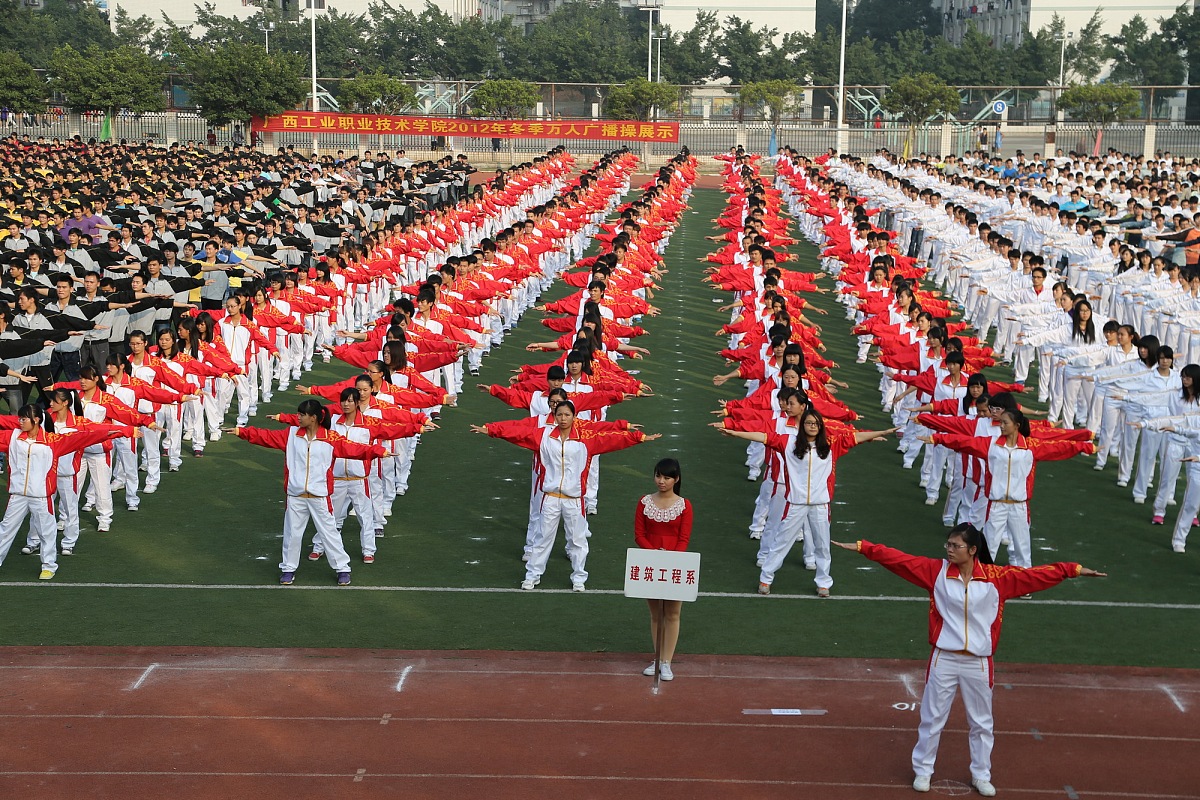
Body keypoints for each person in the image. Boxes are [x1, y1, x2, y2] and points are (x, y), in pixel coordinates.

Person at [832, 526, 1106, 797]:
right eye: (948, 545)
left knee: (981, 723)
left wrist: (1073, 569)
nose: (949, 550)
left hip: (979, 662)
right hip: (944, 659)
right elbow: (899, 560)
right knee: (932, 718)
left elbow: (1037, 575)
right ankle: (923, 771)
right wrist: (863, 547)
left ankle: (981, 775)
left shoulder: (998, 578)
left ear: (973, 550)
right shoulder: (935, 572)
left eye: (955, 546)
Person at [472, 399, 660, 592]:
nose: (562, 418)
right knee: (542, 538)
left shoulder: (586, 439)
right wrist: (492, 430)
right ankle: (532, 575)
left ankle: (579, 577)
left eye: (567, 415)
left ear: (574, 417)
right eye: (559, 414)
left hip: (574, 500)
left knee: (578, 540)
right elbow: (517, 433)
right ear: (554, 416)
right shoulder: (543, 436)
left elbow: (612, 440)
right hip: (550, 497)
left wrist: (638, 437)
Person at [226, 399, 387, 585]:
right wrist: (242, 432)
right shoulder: (291, 435)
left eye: (302, 414)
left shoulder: (330, 438)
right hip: (295, 496)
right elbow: (266, 436)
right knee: (292, 534)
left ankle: (342, 568)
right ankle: (288, 569)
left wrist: (378, 451)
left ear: (314, 418)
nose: (298, 417)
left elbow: (354, 449)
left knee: (329, 533)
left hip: (320, 497)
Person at [0, 404, 128, 579]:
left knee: (47, 531)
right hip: (18, 496)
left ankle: (49, 566)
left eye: (24, 419)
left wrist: (124, 431)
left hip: (41, 497)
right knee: (5, 530)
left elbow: (86, 436)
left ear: (36, 420)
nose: (19, 422)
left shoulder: (53, 441)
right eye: (20, 418)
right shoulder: (12, 437)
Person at [635, 457, 693, 682]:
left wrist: (670, 558)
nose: (661, 481)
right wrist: (655, 553)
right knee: (655, 614)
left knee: (673, 613)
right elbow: (639, 534)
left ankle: (667, 662)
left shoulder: (684, 505)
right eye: (658, 476)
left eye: (667, 477)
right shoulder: (644, 502)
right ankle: (657, 659)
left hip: (675, 563)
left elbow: (683, 538)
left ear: (676, 479)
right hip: (650, 560)